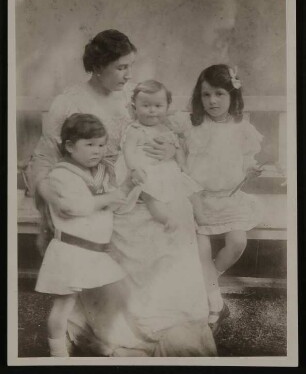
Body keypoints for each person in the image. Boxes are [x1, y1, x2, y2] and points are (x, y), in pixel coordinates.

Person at [27, 30, 216, 356]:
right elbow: (45, 160)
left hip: (138, 182)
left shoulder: (132, 95)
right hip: (100, 189)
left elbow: (161, 128)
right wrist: (56, 199)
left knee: (177, 215)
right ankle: (127, 330)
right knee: (131, 228)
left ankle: (173, 320)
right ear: (98, 66)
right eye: (120, 67)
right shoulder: (69, 102)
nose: (128, 75)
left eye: (130, 66)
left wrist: (166, 146)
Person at [35, 114, 127, 357]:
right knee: (64, 304)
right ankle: (57, 351)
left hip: (95, 251)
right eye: (89, 145)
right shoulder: (61, 175)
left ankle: (97, 340)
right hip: (71, 251)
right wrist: (108, 199)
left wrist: (128, 189)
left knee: (113, 295)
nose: (97, 151)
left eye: (100, 145)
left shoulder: (101, 172)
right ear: (69, 146)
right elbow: (73, 207)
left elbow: (114, 203)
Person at [184, 64, 263, 334]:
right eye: (206, 95)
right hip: (197, 197)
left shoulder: (241, 127)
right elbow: (181, 163)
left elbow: (246, 161)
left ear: (232, 96)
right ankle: (215, 303)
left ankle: (205, 284)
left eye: (219, 94)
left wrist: (250, 170)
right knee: (200, 248)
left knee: (237, 241)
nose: (212, 101)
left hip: (230, 198)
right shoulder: (192, 127)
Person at [115, 80, 200, 232]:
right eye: (146, 106)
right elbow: (128, 151)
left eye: (158, 106)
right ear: (135, 107)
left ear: (167, 107)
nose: (152, 110)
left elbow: (176, 147)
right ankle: (164, 217)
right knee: (148, 193)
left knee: (189, 187)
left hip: (164, 170)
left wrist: (182, 164)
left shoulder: (165, 128)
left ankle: (200, 216)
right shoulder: (135, 129)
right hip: (144, 170)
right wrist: (134, 169)